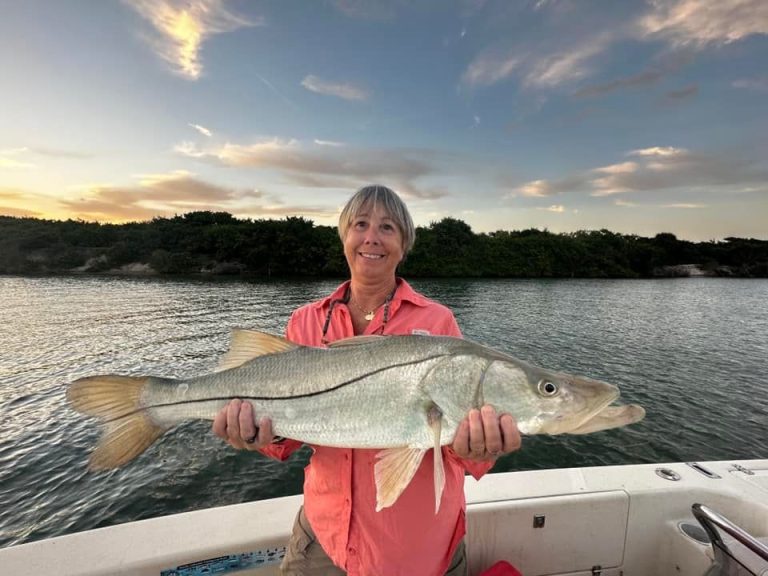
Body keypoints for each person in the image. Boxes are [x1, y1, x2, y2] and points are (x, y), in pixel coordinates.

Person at [212, 185, 521, 576]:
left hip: (415, 548)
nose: (372, 237)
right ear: (345, 236)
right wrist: (259, 435)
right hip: (323, 537)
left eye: (387, 227)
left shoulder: (438, 322)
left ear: (403, 244)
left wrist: (478, 449)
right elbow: (287, 438)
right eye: (361, 224)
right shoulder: (305, 321)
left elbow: (450, 445)